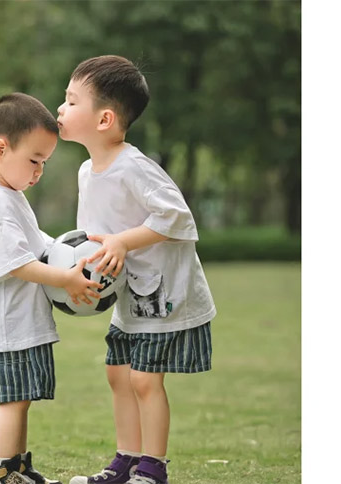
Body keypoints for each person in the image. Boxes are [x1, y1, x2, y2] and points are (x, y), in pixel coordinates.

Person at [56, 55, 217, 484]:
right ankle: (125, 461)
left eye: (71, 102)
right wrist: (77, 274)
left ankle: (153, 469)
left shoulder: (134, 166)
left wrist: (125, 242)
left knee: (145, 380)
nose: (60, 109)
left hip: (161, 294)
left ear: (105, 118)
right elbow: (90, 238)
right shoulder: (87, 171)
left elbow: (177, 217)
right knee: (118, 375)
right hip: (128, 296)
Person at [0, 92, 102, 484]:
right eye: (35, 161)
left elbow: (40, 245)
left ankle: (17, 468)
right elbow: (19, 265)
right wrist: (67, 278)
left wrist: (70, 253)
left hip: (21, 325)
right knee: (12, 402)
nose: (39, 171)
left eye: (45, 163)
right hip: (5, 328)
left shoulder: (12, 197)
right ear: (0, 149)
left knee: (20, 401)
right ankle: (1, 473)